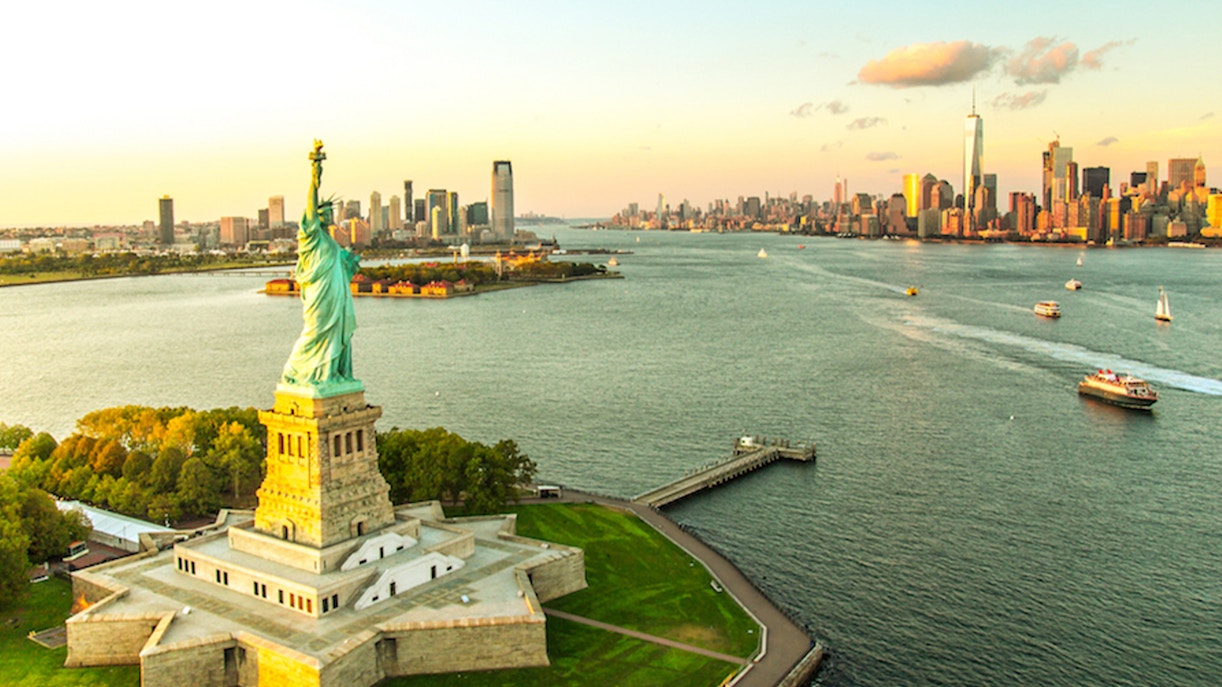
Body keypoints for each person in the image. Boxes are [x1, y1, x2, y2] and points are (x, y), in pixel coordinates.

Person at [280, 141, 361, 391]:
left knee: (336, 331)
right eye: (321, 211)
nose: (326, 215)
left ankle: (332, 374)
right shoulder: (312, 235)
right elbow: (311, 200)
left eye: (329, 212)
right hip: (320, 294)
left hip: (336, 293)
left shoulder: (332, 242)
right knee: (315, 331)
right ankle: (295, 371)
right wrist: (315, 171)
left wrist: (349, 262)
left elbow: (343, 269)